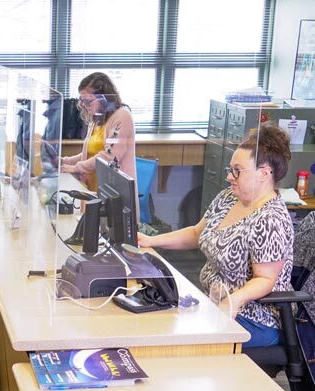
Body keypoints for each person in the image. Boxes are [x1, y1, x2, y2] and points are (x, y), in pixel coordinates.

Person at [138, 124, 294, 348]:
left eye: (237, 171)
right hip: (212, 301)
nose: (230, 177)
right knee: (157, 319)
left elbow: (266, 279)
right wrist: (151, 241)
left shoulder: (271, 219)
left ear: (264, 173)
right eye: (229, 170)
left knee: (173, 339)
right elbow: (196, 233)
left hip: (252, 318)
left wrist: (235, 301)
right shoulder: (229, 198)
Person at [60, 72, 137, 191]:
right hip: (92, 186)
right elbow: (91, 152)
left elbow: (110, 156)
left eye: (88, 101)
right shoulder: (98, 117)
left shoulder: (122, 116)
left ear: (104, 98)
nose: (85, 105)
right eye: (82, 101)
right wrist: (66, 161)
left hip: (114, 189)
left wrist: (76, 168)